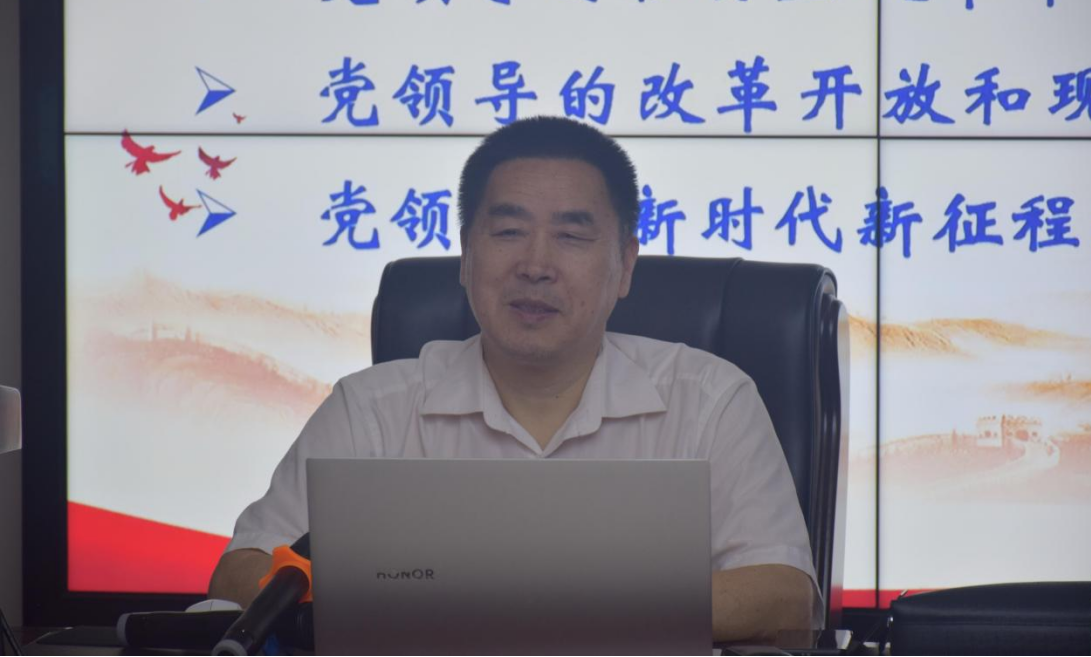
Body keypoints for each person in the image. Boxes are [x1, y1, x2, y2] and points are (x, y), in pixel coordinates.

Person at [208, 116, 820, 643]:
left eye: (572, 236)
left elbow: (784, 595)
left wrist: (529, 607)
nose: (535, 265)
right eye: (507, 232)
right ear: (466, 255)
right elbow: (240, 573)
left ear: (625, 265)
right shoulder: (372, 408)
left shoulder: (710, 400)